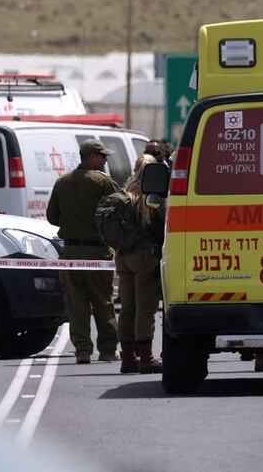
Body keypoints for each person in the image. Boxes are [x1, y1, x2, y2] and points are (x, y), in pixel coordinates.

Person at [46, 138, 120, 364]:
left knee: (76, 305)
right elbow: (120, 212)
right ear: (92, 157)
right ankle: (107, 350)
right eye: (102, 157)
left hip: (70, 253)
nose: (105, 161)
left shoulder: (63, 182)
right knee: (103, 302)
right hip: (98, 252)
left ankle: (82, 351)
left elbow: (52, 216)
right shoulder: (103, 182)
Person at [116, 154, 164, 374]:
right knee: (145, 309)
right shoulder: (150, 196)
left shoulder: (123, 194)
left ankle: (128, 358)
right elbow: (161, 225)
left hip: (122, 256)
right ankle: (146, 358)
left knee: (127, 308)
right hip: (143, 257)